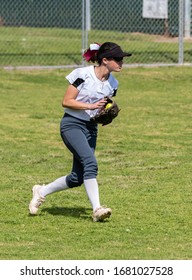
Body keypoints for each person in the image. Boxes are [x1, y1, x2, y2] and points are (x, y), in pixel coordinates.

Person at [29, 42, 132, 222]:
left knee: (77, 177)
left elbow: (102, 106)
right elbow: (67, 101)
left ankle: (41, 191)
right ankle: (97, 209)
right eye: (118, 59)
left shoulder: (113, 84)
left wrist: (104, 115)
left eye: (122, 59)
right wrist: (90, 106)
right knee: (90, 163)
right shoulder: (83, 74)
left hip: (91, 127)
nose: (121, 62)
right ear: (105, 60)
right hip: (72, 125)